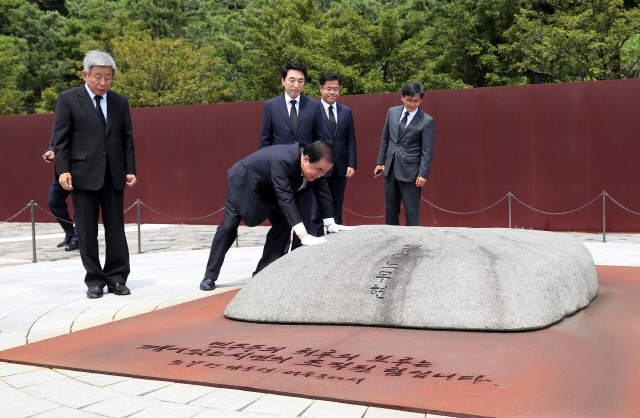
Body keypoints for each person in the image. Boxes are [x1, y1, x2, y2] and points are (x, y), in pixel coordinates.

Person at [200, 141, 354, 291]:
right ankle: (210, 276)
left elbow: (323, 192)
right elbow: (286, 199)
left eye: (324, 172)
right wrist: (304, 235)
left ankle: (262, 274)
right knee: (228, 226)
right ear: (305, 159)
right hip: (244, 184)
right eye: (318, 170)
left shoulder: (316, 167)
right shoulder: (284, 160)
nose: (320, 175)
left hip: (273, 190)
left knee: (283, 225)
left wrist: (330, 223)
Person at [54, 50, 137, 299]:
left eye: (108, 77)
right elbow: (61, 139)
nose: (103, 82)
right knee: (87, 231)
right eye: (98, 76)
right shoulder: (68, 99)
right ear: (85, 74)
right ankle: (95, 281)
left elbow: (127, 138)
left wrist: (130, 169)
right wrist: (63, 170)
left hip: (114, 174)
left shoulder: (120, 101)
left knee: (116, 229)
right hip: (82, 174)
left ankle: (117, 278)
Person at [259, 61, 324, 249]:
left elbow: (319, 140)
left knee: (305, 221)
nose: (296, 85)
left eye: (301, 81)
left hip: (304, 177)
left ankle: (298, 270)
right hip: (280, 176)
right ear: (283, 81)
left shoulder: (314, 106)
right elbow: (265, 142)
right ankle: (270, 268)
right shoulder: (270, 106)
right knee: (280, 225)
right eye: (292, 80)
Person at [374, 82, 434, 226]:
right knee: (390, 210)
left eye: (416, 101)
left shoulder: (427, 120)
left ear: (421, 100)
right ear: (402, 97)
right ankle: (392, 241)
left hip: (411, 173)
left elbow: (427, 150)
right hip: (390, 169)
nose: (412, 104)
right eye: (409, 100)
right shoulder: (392, 112)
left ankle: (412, 243)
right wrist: (381, 162)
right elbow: (386, 139)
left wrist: (423, 174)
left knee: (411, 211)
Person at [317, 72, 357, 225]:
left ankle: (337, 233)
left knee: (337, 202)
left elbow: (351, 139)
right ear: (321, 89)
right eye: (328, 88)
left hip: (340, 166)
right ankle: (318, 232)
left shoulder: (346, 111)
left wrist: (351, 164)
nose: (332, 92)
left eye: (336, 88)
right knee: (319, 201)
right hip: (319, 166)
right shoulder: (313, 109)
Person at [43, 126, 79, 251]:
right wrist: (50, 152)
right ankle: (70, 233)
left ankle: (78, 239)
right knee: (54, 202)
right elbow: (53, 142)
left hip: (77, 170)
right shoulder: (58, 122)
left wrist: (57, 154)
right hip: (60, 171)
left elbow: (80, 145)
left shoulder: (78, 119)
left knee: (78, 205)